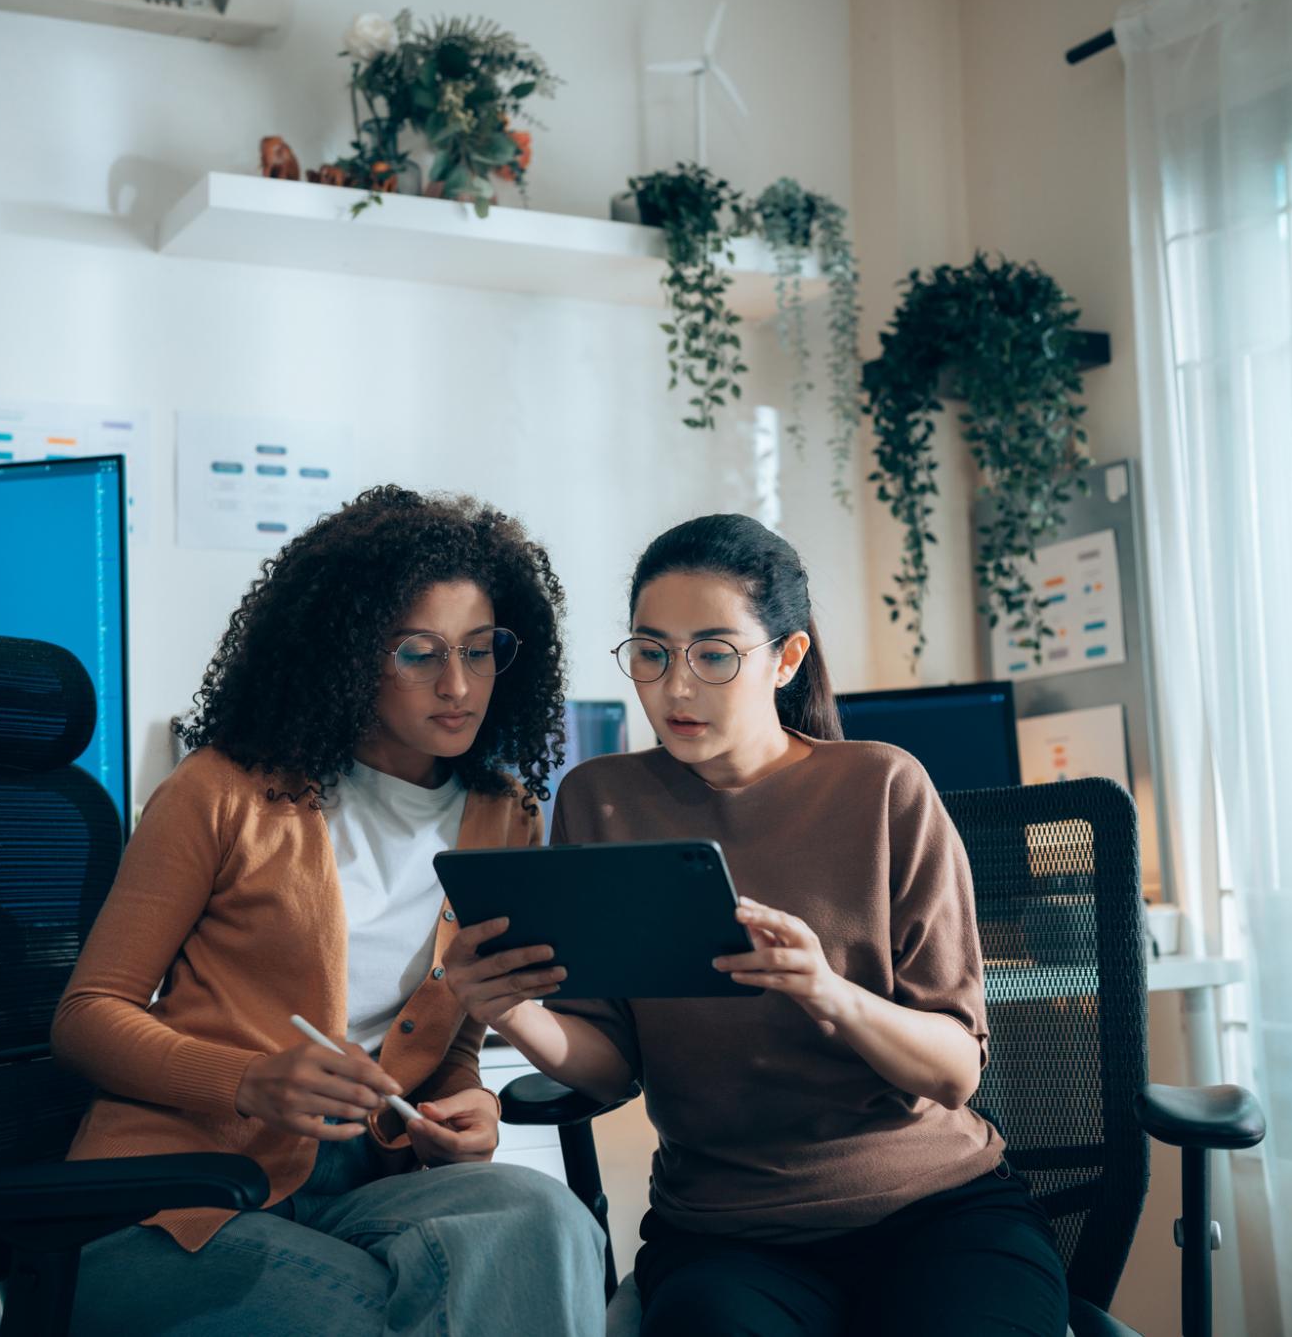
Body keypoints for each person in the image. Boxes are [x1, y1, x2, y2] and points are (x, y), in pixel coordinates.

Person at [443, 513, 1069, 1337]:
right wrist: (512, 1013)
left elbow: (955, 1072)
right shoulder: (601, 801)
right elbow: (608, 1068)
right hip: (726, 1237)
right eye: (651, 652)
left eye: (713, 654)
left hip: (938, 1212)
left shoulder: (884, 788)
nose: (675, 688)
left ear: (787, 657)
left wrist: (828, 993)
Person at [53, 486, 607, 1336]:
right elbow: (87, 1018)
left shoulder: (504, 816)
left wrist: (469, 1110)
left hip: (361, 1194)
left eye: (480, 649)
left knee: (548, 1223)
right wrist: (246, 1081)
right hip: (174, 1203)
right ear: (347, 655)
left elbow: (452, 1027)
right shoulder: (221, 791)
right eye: (418, 653)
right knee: (408, 1315)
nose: (458, 685)